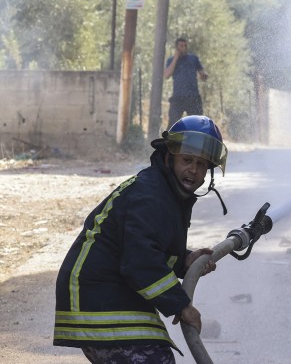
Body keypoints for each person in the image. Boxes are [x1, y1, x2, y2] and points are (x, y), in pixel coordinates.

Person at [53, 115, 229, 363]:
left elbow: (148, 245)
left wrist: (184, 261)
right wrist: (181, 306)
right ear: (169, 157)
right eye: (187, 160)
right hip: (99, 297)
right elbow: (139, 262)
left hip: (110, 292)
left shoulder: (167, 192)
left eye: (201, 165)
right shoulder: (150, 196)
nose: (194, 170)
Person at [164, 37, 208, 127]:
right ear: (177, 48)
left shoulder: (193, 59)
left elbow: (202, 73)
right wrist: (176, 58)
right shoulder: (171, 60)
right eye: (181, 46)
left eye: (185, 46)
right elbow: (167, 75)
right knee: (172, 125)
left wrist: (203, 76)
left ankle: (197, 140)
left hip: (193, 96)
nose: (184, 48)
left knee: (198, 125)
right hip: (178, 97)